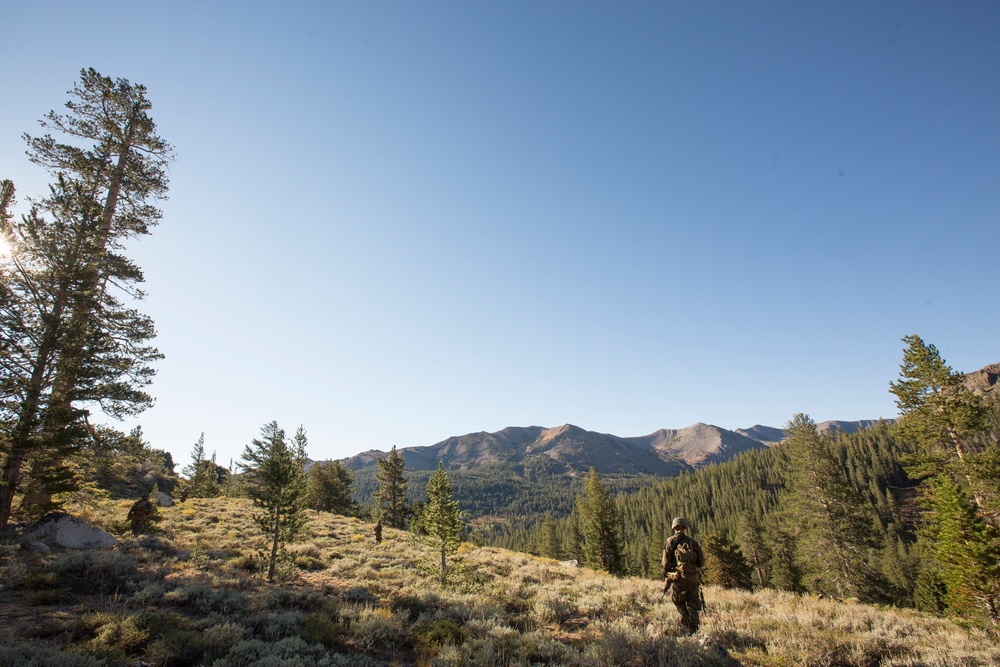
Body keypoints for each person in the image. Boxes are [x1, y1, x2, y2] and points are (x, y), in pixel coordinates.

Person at [662, 516, 705, 634]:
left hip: (679, 578)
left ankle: (685, 624)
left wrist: (666, 575)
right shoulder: (693, 542)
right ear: (684, 527)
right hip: (693, 579)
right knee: (694, 604)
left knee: (678, 601)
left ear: (674, 527)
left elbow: (665, 562)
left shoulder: (670, 541)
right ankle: (695, 629)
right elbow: (701, 562)